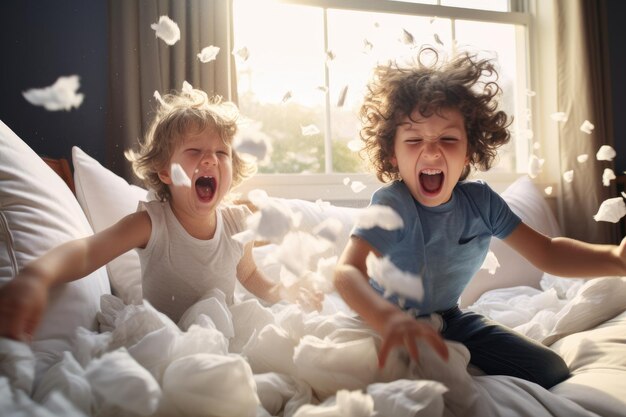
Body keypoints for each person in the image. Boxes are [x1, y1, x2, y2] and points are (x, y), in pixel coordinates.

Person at [333, 47, 626, 389]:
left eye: (447, 138)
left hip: (450, 318)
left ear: (469, 148)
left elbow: (547, 253)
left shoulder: (481, 202)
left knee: (551, 371)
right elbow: (346, 272)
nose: (431, 151)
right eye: (414, 140)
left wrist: (615, 259)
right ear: (392, 155)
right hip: (382, 322)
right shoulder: (392, 204)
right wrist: (385, 318)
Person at [0, 87, 322, 342]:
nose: (210, 159)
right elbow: (87, 252)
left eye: (221, 153)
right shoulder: (152, 223)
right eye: (195, 151)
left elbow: (250, 275)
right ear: (165, 172)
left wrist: (285, 292)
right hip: (164, 340)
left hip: (221, 338)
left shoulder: (238, 223)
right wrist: (37, 276)